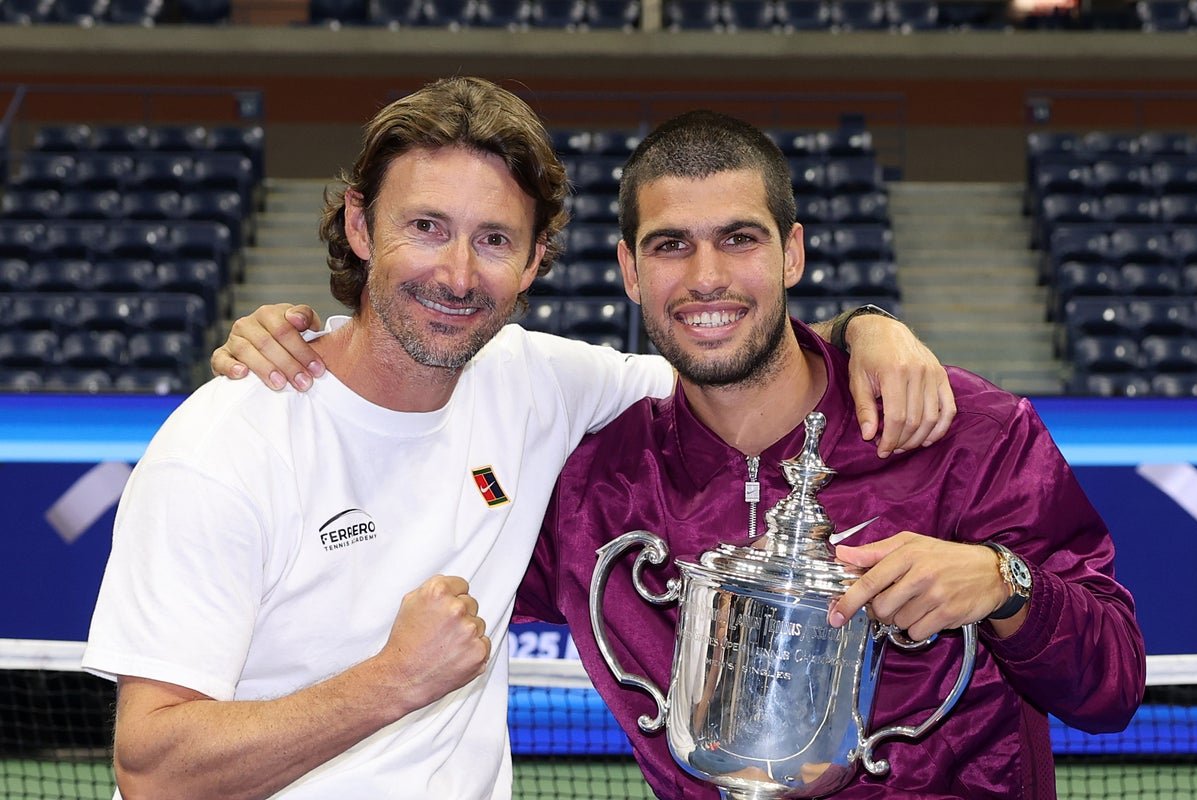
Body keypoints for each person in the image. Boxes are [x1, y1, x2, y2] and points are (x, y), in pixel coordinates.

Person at [85, 77, 951, 800]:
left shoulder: (534, 381)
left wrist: (864, 328)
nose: (457, 275)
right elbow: (151, 768)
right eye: (426, 226)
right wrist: (392, 682)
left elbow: (727, 352)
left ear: (536, 261)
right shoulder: (227, 442)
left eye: (494, 239)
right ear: (360, 226)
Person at [513, 110, 1146, 799]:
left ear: (792, 253)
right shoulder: (591, 489)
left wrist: (1004, 585)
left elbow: (1110, 688)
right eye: (671, 245)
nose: (706, 277)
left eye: (739, 239)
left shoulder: (969, 434)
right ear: (630, 271)